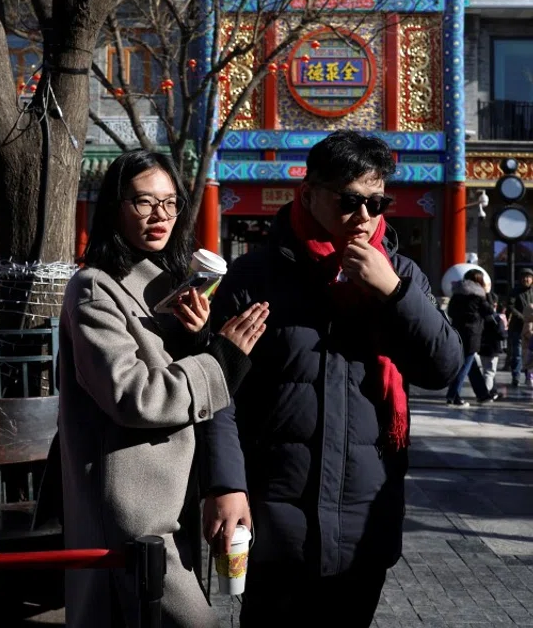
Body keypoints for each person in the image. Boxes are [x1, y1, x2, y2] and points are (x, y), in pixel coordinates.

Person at [201, 131, 461, 627]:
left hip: (365, 516)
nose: (364, 216)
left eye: (377, 201)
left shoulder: (401, 273)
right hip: (276, 515)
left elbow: (442, 368)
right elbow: (219, 395)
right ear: (309, 194)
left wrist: (394, 291)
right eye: (349, 201)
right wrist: (226, 483)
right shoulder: (254, 278)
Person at [58, 149, 269, 627]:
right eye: (143, 202)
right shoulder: (95, 288)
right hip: (134, 508)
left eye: (170, 203)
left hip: (176, 498)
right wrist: (221, 358)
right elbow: (134, 395)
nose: (160, 216)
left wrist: (199, 337)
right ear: (115, 207)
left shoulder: (174, 286)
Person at [447, 269, 498, 406]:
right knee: (464, 366)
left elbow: (450, 311)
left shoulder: (457, 294)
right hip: (472, 335)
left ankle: (483, 395)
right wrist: (486, 294)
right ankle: (453, 396)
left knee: (472, 366)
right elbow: (489, 311)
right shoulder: (478, 296)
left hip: (457, 332)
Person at [507, 268, 533, 387]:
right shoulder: (514, 291)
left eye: (528, 277)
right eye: (524, 277)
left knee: (530, 353)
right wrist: (523, 317)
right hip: (517, 327)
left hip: (531, 328)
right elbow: (510, 306)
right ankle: (516, 377)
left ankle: (529, 376)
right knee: (517, 354)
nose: (526, 279)